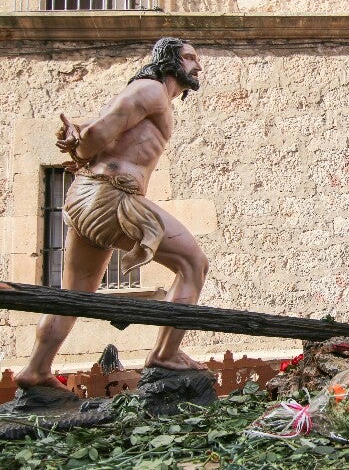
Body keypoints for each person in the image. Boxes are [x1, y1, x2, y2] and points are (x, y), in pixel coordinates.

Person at [16, 37, 209, 391]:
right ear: (168, 60)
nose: (198, 66)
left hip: (90, 196)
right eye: (189, 58)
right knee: (193, 264)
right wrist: (83, 143)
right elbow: (98, 135)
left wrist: (78, 138)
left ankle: (35, 371)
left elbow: (102, 129)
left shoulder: (149, 98)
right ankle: (165, 355)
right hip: (111, 197)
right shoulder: (150, 90)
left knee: (75, 293)